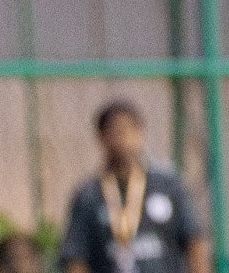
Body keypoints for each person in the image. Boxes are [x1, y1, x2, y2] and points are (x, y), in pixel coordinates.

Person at [59, 100, 209, 273]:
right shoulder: (88, 195)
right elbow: (77, 257)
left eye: (128, 131)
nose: (122, 139)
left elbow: (195, 241)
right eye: (114, 132)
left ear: (140, 132)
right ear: (101, 137)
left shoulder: (168, 185)